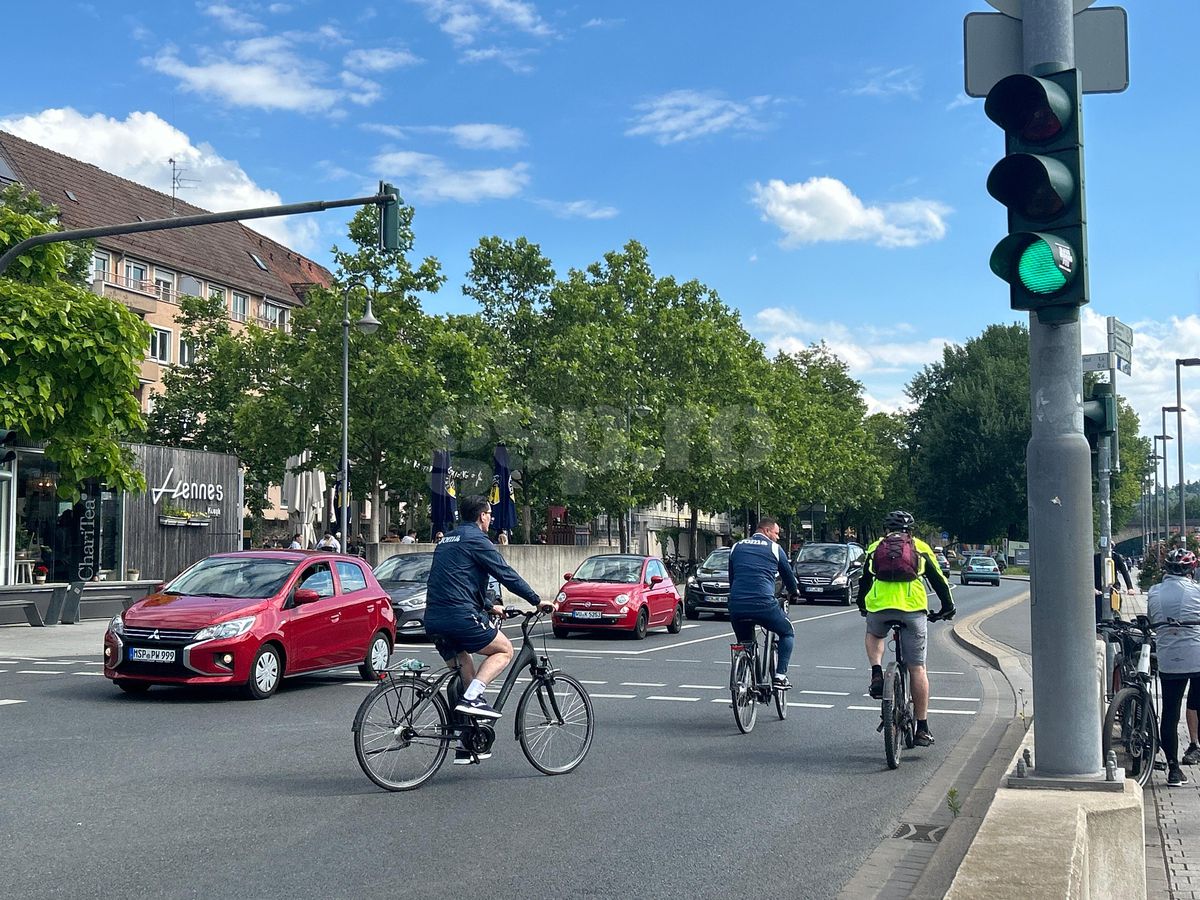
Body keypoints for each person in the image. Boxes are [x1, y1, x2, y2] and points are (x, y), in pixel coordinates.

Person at [424, 495, 553, 764]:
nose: (491, 518)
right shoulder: (477, 540)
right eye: (489, 514)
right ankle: (473, 699)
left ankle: (466, 743)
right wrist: (536, 600)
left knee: (465, 669)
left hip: (434, 618)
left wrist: (488, 605)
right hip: (460, 616)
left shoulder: (446, 540)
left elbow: (456, 579)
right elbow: (505, 573)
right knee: (504, 650)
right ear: (482, 516)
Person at [857, 510, 955, 747]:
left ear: (886, 530)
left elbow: (864, 581)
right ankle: (922, 728)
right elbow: (939, 581)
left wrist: (863, 606)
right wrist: (947, 608)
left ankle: (877, 672)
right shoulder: (920, 547)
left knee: (874, 634)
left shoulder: (875, 548)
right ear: (910, 531)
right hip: (912, 610)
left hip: (879, 607)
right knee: (918, 668)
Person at [1147, 548, 1200, 786]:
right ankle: (1194, 745)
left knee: (1170, 712)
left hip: (1168, 657)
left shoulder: (1154, 591)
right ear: (1191, 571)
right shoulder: (1196, 591)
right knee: (1196, 701)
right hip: (1196, 655)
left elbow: (1152, 618)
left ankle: (1173, 769)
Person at [728, 516, 800, 689]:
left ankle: (743, 676)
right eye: (776, 533)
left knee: (745, 642)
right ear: (767, 531)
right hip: (764, 604)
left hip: (737, 604)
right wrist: (794, 592)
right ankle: (780, 677)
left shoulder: (736, 547)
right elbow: (788, 576)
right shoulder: (774, 548)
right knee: (787, 632)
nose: (777, 537)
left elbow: (732, 578)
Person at [1094, 549, 1134, 622]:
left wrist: (1130, 588)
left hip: (1113, 587)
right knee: (1098, 609)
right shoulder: (1096, 557)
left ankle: (1116, 619)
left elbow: (1124, 571)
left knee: (1116, 605)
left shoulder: (1115, 557)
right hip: (1098, 588)